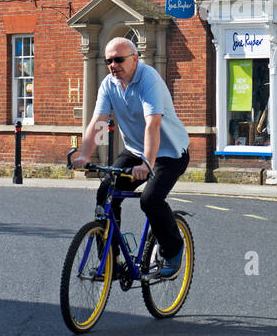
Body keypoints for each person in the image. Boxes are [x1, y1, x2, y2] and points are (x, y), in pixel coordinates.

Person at [71, 37, 189, 278]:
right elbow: (100, 122)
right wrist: (84, 154)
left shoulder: (149, 79)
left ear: (135, 59)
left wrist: (147, 163)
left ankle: (173, 250)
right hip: (135, 151)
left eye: (118, 59)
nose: (113, 64)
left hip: (170, 153)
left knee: (150, 200)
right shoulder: (109, 84)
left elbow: (152, 124)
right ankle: (110, 261)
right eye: (109, 61)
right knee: (105, 193)